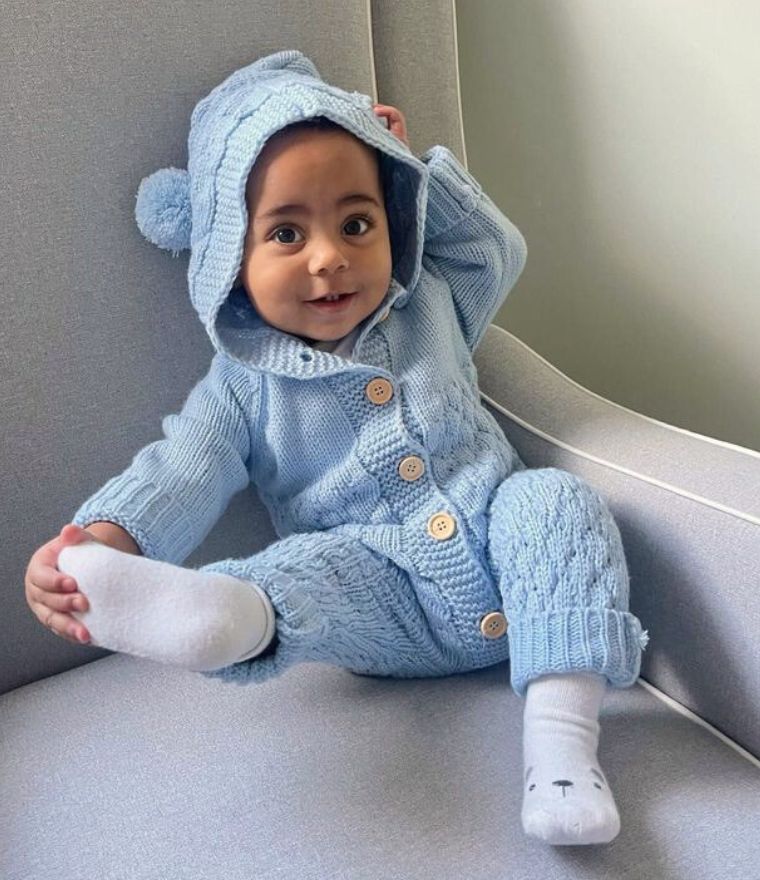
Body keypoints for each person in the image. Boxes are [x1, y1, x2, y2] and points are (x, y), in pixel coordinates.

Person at [24, 49, 648, 846]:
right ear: (230, 262)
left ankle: (561, 753)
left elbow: (495, 251)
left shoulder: (429, 303)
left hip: (508, 550)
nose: (329, 257)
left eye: (357, 222)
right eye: (286, 232)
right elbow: (179, 472)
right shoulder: (243, 386)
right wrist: (102, 541)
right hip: (381, 596)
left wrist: (411, 167)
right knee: (310, 568)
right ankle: (226, 615)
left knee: (557, 501)